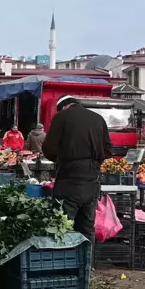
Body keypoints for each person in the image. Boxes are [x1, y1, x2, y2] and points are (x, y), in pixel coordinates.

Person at [42, 95, 112, 251]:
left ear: (64, 107)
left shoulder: (62, 117)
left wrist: (60, 159)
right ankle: (87, 265)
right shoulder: (98, 118)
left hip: (69, 180)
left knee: (62, 226)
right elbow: (108, 150)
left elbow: (49, 148)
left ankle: (64, 262)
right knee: (87, 227)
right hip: (92, 183)